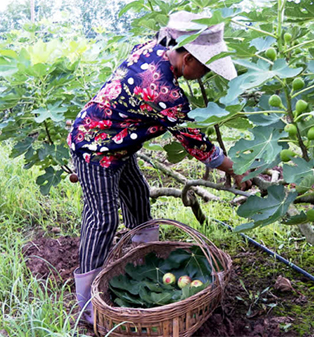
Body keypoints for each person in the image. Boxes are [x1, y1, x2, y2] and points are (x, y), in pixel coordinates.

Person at [67, 11, 251, 323]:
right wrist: (235, 168)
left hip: (117, 144)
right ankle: (87, 302)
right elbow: (196, 142)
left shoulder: (151, 49)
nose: (204, 74)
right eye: (205, 67)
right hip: (94, 148)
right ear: (189, 59)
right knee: (102, 219)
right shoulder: (163, 91)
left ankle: (144, 260)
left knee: (138, 193)